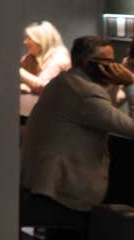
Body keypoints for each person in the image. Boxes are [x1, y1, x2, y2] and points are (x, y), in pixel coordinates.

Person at [21, 35, 134, 223]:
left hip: (41, 182)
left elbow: (105, 107)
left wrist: (117, 82)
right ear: (91, 64)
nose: (114, 66)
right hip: (64, 193)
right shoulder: (87, 95)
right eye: (108, 62)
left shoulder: (64, 81)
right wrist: (130, 84)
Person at [20, 20, 71, 95]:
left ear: (42, 40)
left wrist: (20, 72)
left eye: (29, 38)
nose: (25, 42)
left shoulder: (60, 58)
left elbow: (45, 87)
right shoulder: (30, 57)